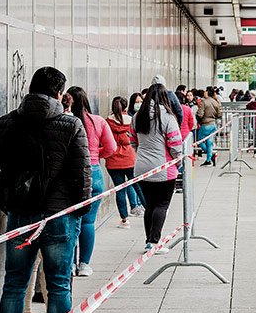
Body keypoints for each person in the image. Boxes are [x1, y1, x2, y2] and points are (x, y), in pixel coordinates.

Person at [0, 66, 90, 313]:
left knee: (14, 283)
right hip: (59, 218)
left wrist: (10, 206)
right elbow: (82, 177)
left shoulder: (5, 123)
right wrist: (76, 212)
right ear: (60, 94)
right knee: (59, 285)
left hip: (21, 215)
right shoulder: (71, 125)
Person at [67, 86, 116, 277]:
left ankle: (69, 264)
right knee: (88, 222)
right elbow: (111, 148)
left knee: (71, 221)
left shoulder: (67, 121)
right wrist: (95, 156)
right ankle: (84, 265)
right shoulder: (98, 121)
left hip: (72, 174)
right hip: (94, 172)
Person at [133, 84, 184, 253]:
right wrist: (178, 162)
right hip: (164, 168)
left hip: (141, 168)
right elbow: (176, 145)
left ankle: (149, 240)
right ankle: (154, 242)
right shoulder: (168, 118)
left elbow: (133, 141)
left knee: (150, 205)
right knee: (162, 205)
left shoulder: (137, 116)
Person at [106, 97, 143, 228]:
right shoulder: (132, 120)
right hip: (130, 158)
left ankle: (124, 220)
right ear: (126, 107)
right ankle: (148, 210)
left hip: (113, 160)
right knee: (138, 186)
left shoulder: (107, 122)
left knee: (120, 190)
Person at [195, 86, 222, 166]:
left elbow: (200, 114)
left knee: (199, 141)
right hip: (213, 124)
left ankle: (211, 156)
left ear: (207, 92)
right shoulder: (216, 102)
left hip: (205, 124)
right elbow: (219, 114)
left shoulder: (203, 102)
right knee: (209, 142)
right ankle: (209, 159)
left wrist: (198, 120)